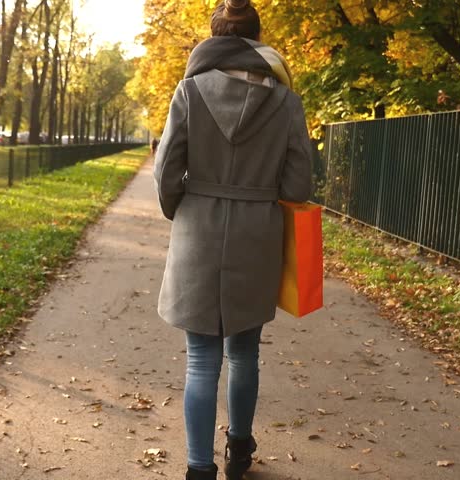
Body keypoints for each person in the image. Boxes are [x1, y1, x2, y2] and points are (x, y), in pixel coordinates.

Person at [152, 1, 313, 478]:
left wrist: (179, 211)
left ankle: (198, 469)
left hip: (197, 232)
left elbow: (166, 173)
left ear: (215, 38)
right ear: (257, 43)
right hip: (256, 236)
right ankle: (239, 451)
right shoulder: (286, 102)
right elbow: (298, 187)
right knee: (244, 353)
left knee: (200, 361)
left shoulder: (188, 92)